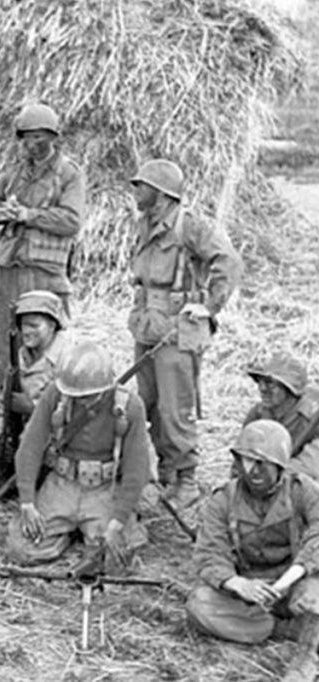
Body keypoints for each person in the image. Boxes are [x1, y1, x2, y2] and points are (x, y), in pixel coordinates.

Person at [127, 158, 243, 506]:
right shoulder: (146, 223)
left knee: (176, 408)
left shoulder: (189, 226)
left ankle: (188, 481)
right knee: (149, 403)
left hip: (178, 332)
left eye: (141, 186)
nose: (136, 192)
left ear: (161, 193)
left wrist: (208, 305)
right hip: (148, 326)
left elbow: (229, 262)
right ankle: (167, 472)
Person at [186, 420, 319, 682]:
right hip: (249, 592)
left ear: (279, 463)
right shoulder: (223, 499)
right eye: (246, 461)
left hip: (294, 582)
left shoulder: (303, 490)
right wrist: (237, 584)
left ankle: (307, 660)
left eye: (262, 462)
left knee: (316, 595)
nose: (252, 470)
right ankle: (285, 627)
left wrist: (287, 581)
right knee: (199, 605)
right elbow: (209, 552)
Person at [4, 341, 151, 568]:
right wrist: (27, 502)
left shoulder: (130, 406)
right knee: (21, 550)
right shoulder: (56, 394)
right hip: (62, 483)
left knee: (117, 561)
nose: (79, 400)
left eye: (88, 396)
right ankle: (71, 534)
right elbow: (30, 446)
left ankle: (90, 534)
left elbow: (136, 468)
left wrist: (118, 520)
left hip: (104, 487)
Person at [0, 103, 86, 384]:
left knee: (42, 334)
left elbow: (71, 220)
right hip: (9, 266)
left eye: (39, 136)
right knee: (3, 333)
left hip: (43, 272)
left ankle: (42, 394)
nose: (32, 143)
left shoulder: (68, 174)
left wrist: (29, 215)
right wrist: (0, 212)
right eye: (27, 137)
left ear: (53, 137)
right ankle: (5, 396)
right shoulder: (15, 172)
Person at [0, 290, 71, 494]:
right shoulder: (22, 355)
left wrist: (33, 408)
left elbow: (73, 415)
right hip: (19, 434)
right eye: (23, 324)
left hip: (54, 443)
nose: (26, 331)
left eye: (34, 325)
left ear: (53, 326)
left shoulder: (69, 359)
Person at [243, 353, 319, 482]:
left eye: (270, 384)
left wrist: (266, 476)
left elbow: (310, 467)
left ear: (290, 389)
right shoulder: (258, 414)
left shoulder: (313, 417)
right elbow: (242, 460)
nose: (262, 388)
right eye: (260, 381)